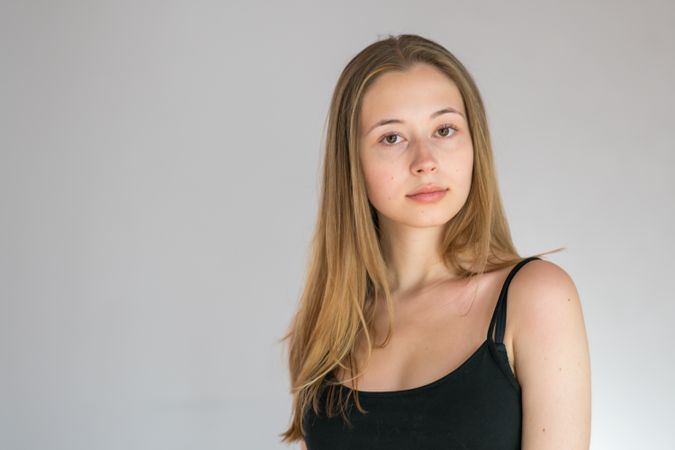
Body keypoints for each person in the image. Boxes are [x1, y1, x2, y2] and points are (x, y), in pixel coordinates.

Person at [278, 34, 591, 449]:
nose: (425, 161)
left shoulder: (534, 298)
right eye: (392, 137)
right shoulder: (324, 328)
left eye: (444, 130)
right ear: (352, 162)